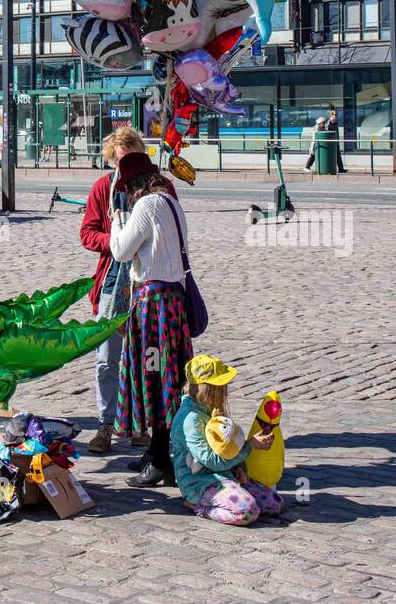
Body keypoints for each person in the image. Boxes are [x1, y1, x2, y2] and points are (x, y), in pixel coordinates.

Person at [80, 127, 177, 455]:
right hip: (112, 283)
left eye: (129, 159)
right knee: (107, 358)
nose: (123, 168)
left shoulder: (160, 189)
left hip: (151, 287)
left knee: (147, 358)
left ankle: (141, 425)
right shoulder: (102, 189)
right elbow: (87, 233)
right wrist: (115, 242)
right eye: (118, 161)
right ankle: (106, 424)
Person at [109, 151, 193, 487]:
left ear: (133, 185)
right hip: (173, 304)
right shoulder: (172, 202)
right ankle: (157, 452)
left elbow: (121, 251)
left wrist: (117, 218)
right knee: (166, 375)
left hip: (152, 309)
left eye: (126, 187)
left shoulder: (146, 206)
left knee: (154, 374)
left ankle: (161, 461)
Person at [170, 354, 282, 526]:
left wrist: (239, 468)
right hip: (200, 483)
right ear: (208, 388)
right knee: (247, 512)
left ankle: (234, 493)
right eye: (222, 387)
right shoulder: (190, 419)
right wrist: (249, 446)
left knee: (274, 503)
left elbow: (228, 447)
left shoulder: (210, 408)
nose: (225, 391)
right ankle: (198, 506)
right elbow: (211, 461)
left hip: (225, 474)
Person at [326, 106, 346, 173]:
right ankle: (330, 169)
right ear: (331, 115)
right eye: (335, 114)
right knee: (332, 156)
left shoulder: (335, 122)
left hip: (336, 142)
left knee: (338, 156)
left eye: (337, 115)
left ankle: (341, 168)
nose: (336, 116)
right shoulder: (328, 123)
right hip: (331, 143)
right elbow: (327, 133)